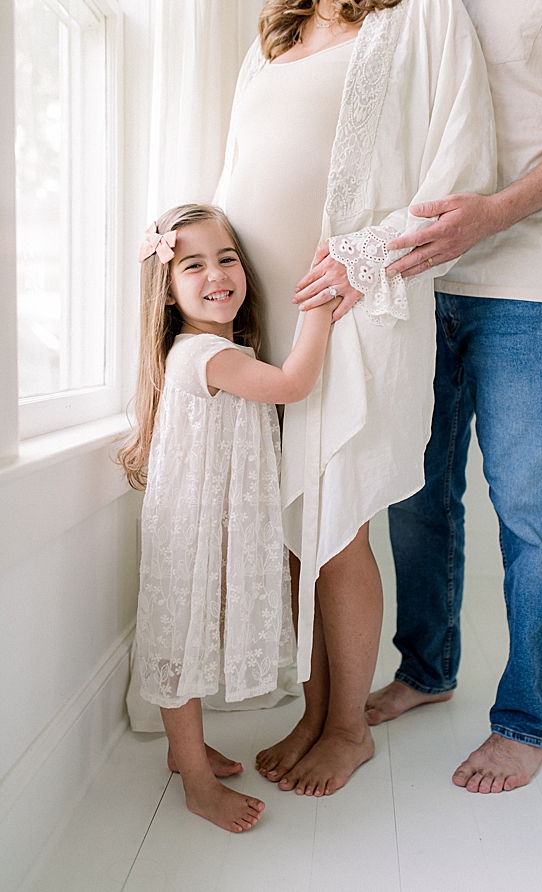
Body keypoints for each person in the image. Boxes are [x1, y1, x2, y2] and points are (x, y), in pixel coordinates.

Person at [213, 0, 495, 797]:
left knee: (338, 525)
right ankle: (313, 710)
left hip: (353, 307)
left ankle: (347, 729)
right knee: (294, 525)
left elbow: (461, 172)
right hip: (260, 315)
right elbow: (239, 165)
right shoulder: (274, 34)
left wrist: (364, 258)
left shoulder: (424, 18)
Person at [363, 0, 542, 793]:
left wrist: (491, 215)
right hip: (417, 279)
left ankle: (526, 719)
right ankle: (427, 669)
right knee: (417, 493)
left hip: (530, 287)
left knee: (533, 516)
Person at [118, 204, 339, 830]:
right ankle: (193, 780)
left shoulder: (214, 346)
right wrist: (319, 307)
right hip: (191, 527)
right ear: (168, 292)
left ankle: (184, 751)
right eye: (193, 265)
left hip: (197, 520)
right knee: (181, 647)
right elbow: (296, 384)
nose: (217, 274)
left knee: (185, 637)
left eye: (227, 258)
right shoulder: (208, 356)